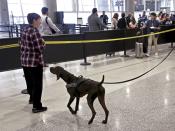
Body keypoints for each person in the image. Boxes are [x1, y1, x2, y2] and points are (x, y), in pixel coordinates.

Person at [20, 13, 47, 113]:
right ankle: (37, 106)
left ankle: (32, 99)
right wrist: (43, 43)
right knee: (37, 85)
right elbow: (39, 48)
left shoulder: (24, 29)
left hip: (25, 61)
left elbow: (21, 44)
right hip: (34, 62)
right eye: (39, 20)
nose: (40, 22)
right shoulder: (34, 31)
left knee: (30, 83)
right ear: (35, 20)